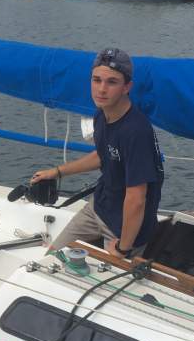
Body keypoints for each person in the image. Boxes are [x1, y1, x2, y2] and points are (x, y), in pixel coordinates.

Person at [32, 48, 164, 258]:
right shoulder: (101, 115)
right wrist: (57, 172)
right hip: (98, 208)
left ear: (127, 87)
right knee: (52, 257)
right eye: (96, 80)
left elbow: (137, 198)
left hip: (123, 229)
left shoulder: (136, 132)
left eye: (112, 82)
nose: (101, 89)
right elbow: (102, 155)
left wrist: (123, 249)